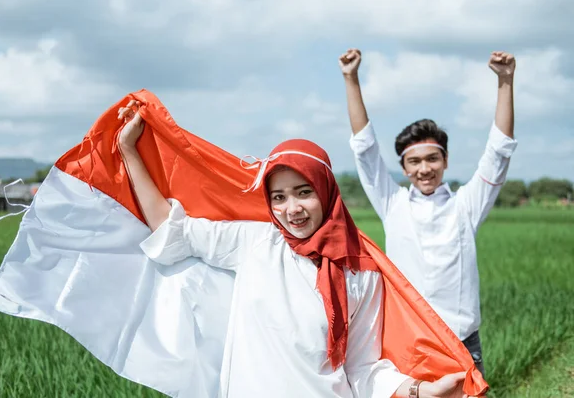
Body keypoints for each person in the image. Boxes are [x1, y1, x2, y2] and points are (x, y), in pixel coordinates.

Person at [116, 99, 477, 398]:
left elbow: (362, 368)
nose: (293, 209)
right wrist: (128, 151)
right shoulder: (256, 243)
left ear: (326, 192)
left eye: (304, 192)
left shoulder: (361, 272)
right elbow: (170, 228)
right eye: (279, 197)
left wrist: (418, 390)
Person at [339, 48, 518, 375]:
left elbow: (499, 154)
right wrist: (351, 78)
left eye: (432, 159)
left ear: (445, 161)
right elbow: (365, 150)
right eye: (414, 161)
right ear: (404, 168)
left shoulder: (465, 206)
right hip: (409, 339)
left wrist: (505, 81)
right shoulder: (393, 204)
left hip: (461, 340)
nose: (425, 169)